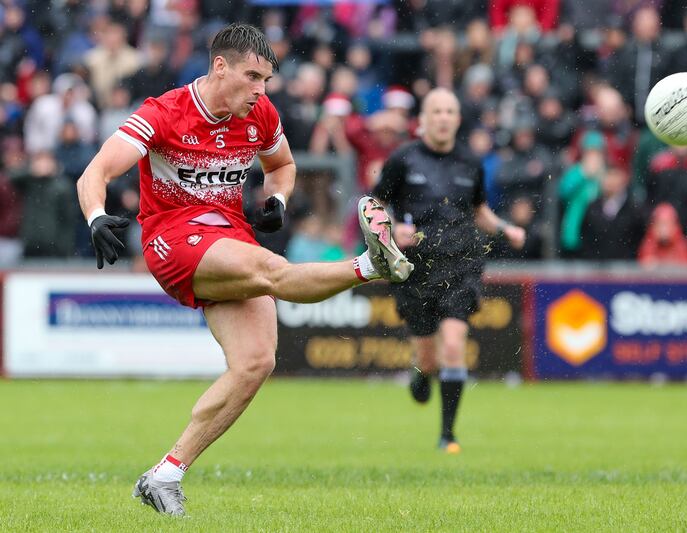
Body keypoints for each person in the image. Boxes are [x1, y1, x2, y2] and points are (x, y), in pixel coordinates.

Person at [76, 23, 413, 516]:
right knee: (272, 271)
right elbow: (96, 172)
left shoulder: (259, 113)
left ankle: (166, 473)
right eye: (253, 77)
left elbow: (283, 165)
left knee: (256, 363)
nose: (261, 90)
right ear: (220, 66)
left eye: (267, 80)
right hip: (174, 240)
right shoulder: (163, 112)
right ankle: (370, 264)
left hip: (230, 236)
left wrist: (276, 198)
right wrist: (96, 216)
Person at [372, 88, 525, 453]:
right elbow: (374, 205)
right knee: (427, 357)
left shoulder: (471, 162)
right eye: (436, 111)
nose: (443, 117)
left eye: (450, 111)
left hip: (461, 263)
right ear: (422, 120)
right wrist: (391, 228)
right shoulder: (403, 159)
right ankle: (421, 374)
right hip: (415, 268)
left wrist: (507, 229)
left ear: (457, 120)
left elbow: (479, 212)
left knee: (454, 344)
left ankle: (448, 436)